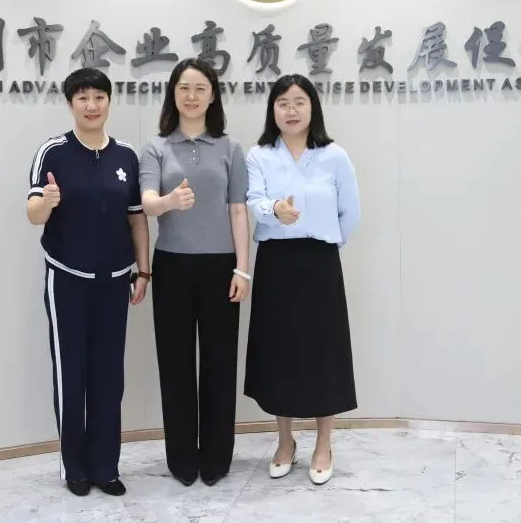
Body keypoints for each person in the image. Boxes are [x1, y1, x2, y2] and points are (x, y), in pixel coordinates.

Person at [26, 67, 151, 498]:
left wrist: (143, 271)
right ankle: (74, 467)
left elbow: (137, 219)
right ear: (70, 104)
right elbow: (33, 214)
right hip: (68, 279)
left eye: (99, 97)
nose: (92, 105)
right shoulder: (53, 152)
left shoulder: (126, 156)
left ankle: (105, 467)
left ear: (109, 102)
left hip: (115, 280)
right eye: (83, 98)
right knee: (71, 374)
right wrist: (47, 201)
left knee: (109, 377)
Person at [243, 73, 360, 486]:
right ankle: (285, 441)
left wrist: (323, 238)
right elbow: (253, 201)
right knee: (280, 352)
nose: (291, 111)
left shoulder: (334, 156)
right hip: (276, 262)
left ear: (313, 108)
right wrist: (275, 210)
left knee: (323, 352)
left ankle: (324, 443)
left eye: (299, 102)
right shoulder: (259, 155)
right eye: (282, 103)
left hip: (320, 263)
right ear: (272, 110)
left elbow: (350, 212)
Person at [139, 57, 251, 487]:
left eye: (200, 88)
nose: (191, 96)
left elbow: (238, 211)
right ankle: (182, 457)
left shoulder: (230, 148)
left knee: (220, 364)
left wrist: (242, 270)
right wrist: (170, 202)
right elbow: (147, 202)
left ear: (213, 95)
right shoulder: (156, 147)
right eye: (184, 88)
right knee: (176, 364)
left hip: (221, 266)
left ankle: (217, 457)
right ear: (173, 94)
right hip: (172, 267)